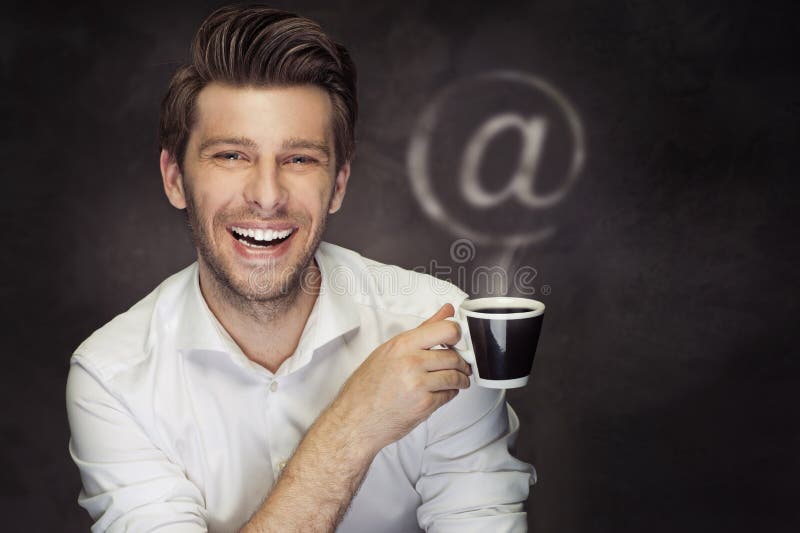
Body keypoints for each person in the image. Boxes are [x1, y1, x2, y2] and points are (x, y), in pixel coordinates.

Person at [66, 5, 535, 532]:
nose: (267, 196)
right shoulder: (112, 379)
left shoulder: (437, 330)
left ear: (337, 185)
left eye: (300, 160)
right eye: (231, 156)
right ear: (175, 179)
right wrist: (354, 426)